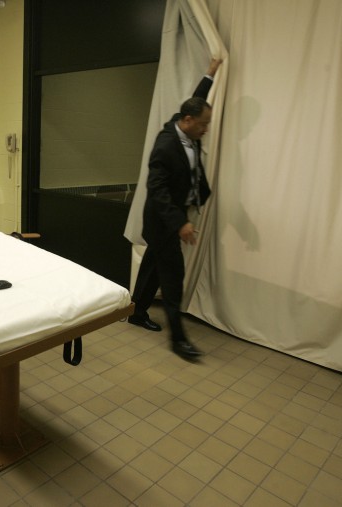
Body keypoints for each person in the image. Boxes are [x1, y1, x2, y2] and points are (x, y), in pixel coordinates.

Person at [128, 58, 222, 361]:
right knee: (172, 277)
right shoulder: (166, 145)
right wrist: (180, 222)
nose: (206, 130)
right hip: (163, 219)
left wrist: (209, 74)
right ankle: (179, 340)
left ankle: (136, 310)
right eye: (204, 124)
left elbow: (197, 102)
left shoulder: (186, 124)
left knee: (153, 265)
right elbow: (157, 191)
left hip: (171, 217)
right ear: (187, 120)